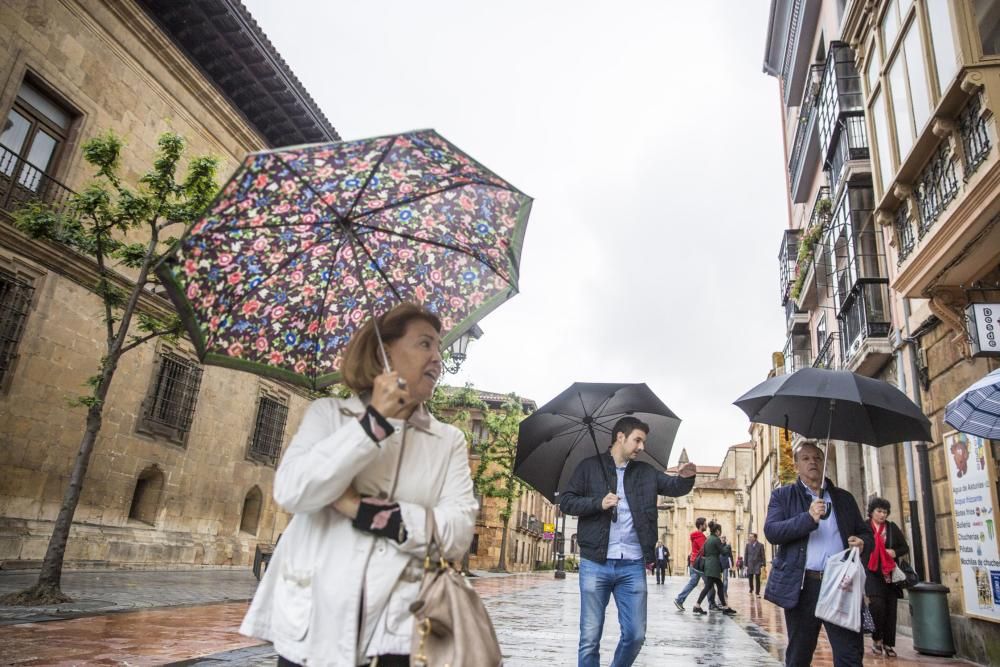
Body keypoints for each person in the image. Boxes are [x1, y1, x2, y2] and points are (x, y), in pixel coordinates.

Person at [240, 304, 479, 667]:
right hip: (314, 623)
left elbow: (457, 533)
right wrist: (372, 425)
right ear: (385, 354)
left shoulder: (448, 441)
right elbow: (293, 492)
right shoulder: (329, 416)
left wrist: (362, 510)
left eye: (439, 347)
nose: (437, 358)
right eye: (425, 344)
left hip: (399, 631)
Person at [561, 417, 697, 667]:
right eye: (638, 440)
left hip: (632, 564)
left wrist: (686, 477)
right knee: (590, 638)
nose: (641, 447)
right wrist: (598, 503)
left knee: (635, 635)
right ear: (620, 437)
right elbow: (567, 501)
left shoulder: (645, 472)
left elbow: (674, 486)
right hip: (595, 563)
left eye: (643, 441)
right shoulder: (588, 467)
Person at [763, 442, 873, 667]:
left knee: (849, 654)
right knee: (799, 654)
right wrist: (807, 518)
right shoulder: (783, 496)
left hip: (840, 585)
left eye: (817, 457)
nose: (812, 462)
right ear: (795, 466)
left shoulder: (844, 498)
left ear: (824, 463)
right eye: (805, 458)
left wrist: (863, 543)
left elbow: (865, 532)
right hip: (804, 586)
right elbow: (772, 531)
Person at [865, 497, 909, 658]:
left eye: (885, 512)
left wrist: (894, 552)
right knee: (877, 606)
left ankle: (888, 643)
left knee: (891, 609)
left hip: (890, 574)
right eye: (879, 511)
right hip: (871, 573)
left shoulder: (891, 528)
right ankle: (877, 639)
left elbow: (904, 547)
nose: (882, 515)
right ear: (872, 512)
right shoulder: (865, 527)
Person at [691, 521, 737, 616]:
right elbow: (724, 552)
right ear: (717, 531)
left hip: (709, 565)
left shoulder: (708, 539)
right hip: (713, 566)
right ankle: (697, 605)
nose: (720, 532)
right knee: (708, 587)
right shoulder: (716, 539)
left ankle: (725, 607)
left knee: (719, 585)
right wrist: (728, 546)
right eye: (720, 531)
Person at [673, 517, 716, 610]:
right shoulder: (700, 537)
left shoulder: (695, 535)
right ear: (701, 526)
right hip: (700, 564)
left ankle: (679, 600)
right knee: (709, 584)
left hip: (693, 562)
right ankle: (712, 604)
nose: (706, 525)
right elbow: (704, 550)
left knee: (693, 583)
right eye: (705, 524)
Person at [744, 532, 766, 597]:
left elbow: (763, 555)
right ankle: (751, 589)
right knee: (750, 578)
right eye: (749, 537)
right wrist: (745, 564)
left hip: (757, 564)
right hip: (750, 564)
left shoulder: (760, 545)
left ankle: (757, 592)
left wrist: (763, 564)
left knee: (757, 578)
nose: (749, 538)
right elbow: (746, 555)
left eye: (751, 537)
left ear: (755, 538)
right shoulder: (748, 545)